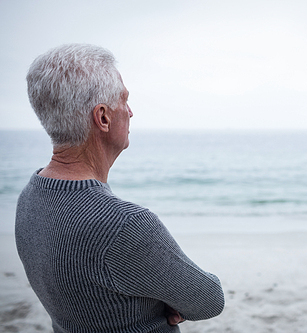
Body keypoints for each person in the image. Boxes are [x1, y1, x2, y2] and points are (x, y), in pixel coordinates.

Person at [15, 44, 224, 332]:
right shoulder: (124, 225)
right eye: (124, 100)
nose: (130, 112)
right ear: (103, 117)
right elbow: (208, 300)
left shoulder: (31, 196)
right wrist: (166, 299)